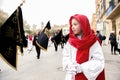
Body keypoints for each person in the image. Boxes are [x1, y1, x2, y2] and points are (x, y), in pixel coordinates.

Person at [62, 14, 105, 80]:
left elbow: (99, 61)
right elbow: (65, 55)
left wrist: (82, 67)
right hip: (72, 76)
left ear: (83, 25)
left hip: (87, 77)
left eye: (75, 24)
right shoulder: (70, 42)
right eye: (71, 25)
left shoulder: (93, 42)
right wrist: (69, 65)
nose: (72, 27)